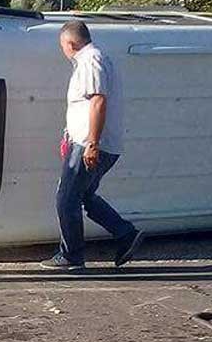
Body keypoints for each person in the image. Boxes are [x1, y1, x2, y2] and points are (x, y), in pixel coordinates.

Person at [40, 20, 144, 270]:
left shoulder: (91, 60)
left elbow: (98, 101)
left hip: (91, 144)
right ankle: (125, 234)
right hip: (92, 143)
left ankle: (72, 256)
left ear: (71, 43)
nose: (62, 51)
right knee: (84, 195)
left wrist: (91, 143)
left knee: (66, 198)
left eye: (62, 45)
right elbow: (85, 106)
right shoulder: (95, 59)